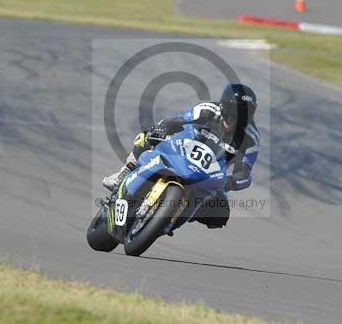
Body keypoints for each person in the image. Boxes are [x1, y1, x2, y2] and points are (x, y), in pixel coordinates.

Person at [102, 83, 260, 229]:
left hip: (210, 172)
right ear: (223, 107)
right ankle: (124, 172)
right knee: (147, 137)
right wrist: (163, 129)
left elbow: (245, 170)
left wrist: (232, 181)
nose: (232, 122)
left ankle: (175, 214)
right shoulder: (208, 109)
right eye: (230, 115)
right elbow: (178, 120)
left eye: (240, 120)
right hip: (183, 149)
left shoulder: (251, 138)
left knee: (219, 215)